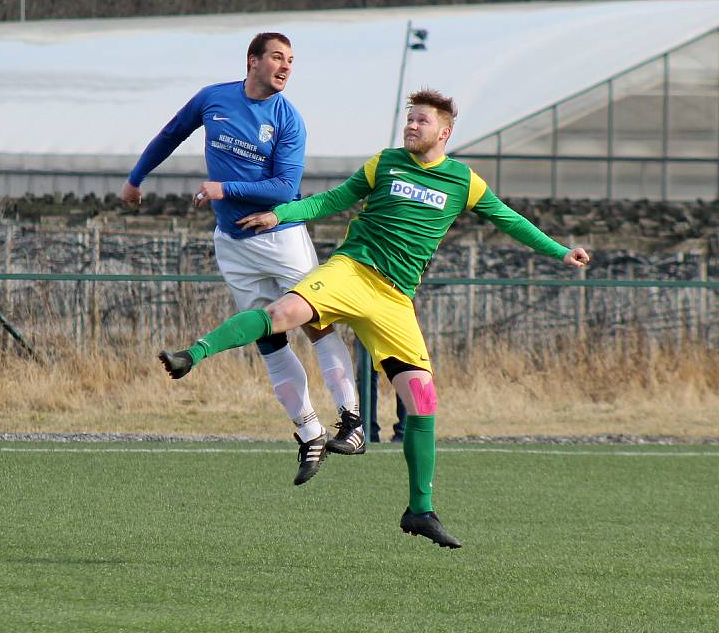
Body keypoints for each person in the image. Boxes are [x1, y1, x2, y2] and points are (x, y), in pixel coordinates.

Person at [159, 88, 590, 548]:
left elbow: (511, 221)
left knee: (422, 400)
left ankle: (420, 510)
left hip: (395, 300)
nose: (411, 126)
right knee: (282, 313)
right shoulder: (384, 163)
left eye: (421, 121)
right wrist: (279, 214)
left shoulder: (465, 182)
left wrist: (561, 251)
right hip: (353, 270)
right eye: (410, 120)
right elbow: (330, 201)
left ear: (444, 132)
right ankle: (192, 355)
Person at [120, 32, 363, 487]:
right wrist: (136, 179)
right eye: (277, 57)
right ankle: (309, 432)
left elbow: (285, 190)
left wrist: (223, 189)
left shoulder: (289, 119)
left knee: (316, 323)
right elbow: (171, 133)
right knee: (268, 339)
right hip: (232, 243)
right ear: (252, 61)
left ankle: (351, 420)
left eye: (291, 59)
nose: (286, 66)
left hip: (282, 238)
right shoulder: (213, 99)